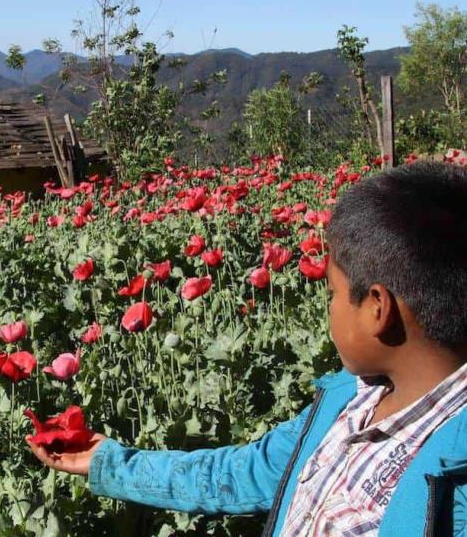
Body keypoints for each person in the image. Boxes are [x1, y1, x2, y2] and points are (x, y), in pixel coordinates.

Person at [26, 162, 467, 536]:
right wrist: (110, 464)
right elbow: (241, 474)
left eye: (331, 293)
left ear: (377, 308)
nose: (327, 308)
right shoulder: (348, 402)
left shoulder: (456, 479)